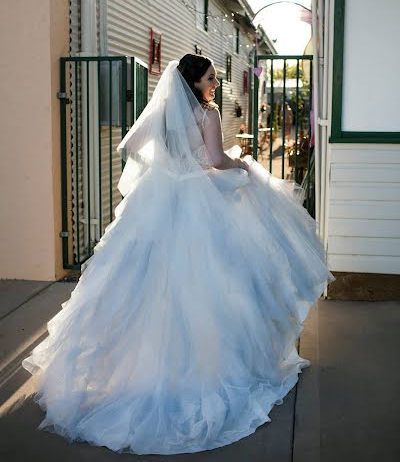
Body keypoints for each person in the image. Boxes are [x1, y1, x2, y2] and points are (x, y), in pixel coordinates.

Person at [21, 54, 335, 456]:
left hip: (159, 199)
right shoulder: (208, 114)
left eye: (216, 78)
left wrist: (166, 170)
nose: (216, 84)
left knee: (147, 284)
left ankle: (140, 371)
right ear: (194, 82)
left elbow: (131, 145)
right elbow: (218, 160)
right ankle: (204, 369)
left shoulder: (165, 110)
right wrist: (240, 166)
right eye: (211, 78)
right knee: (205, 285)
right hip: (197, 200)